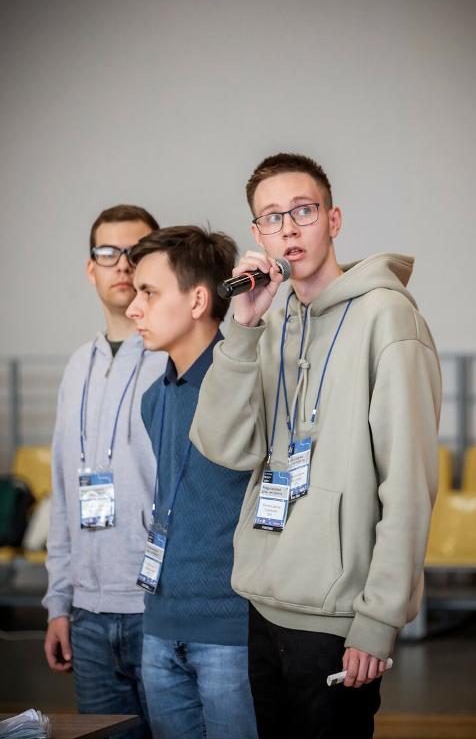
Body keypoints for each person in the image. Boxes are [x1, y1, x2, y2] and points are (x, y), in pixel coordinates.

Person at [190, 153, 442, 739]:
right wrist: (243, 328)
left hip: (335, 615)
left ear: (333, 219)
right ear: (257, 233)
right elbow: (224, 446)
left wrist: (379, 618)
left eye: (303, 210)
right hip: (263, 599)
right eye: (272, 217)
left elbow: (408, 484)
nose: (289, 229)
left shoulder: (387, 318)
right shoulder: (272, 320)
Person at [126, 226, 257, 739]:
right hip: (160, 625)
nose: (133, 309)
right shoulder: (154, 398)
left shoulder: (248, 385)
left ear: (199, 300)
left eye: (149, 293)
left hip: (230, 630)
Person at [43, 205, 166, 739]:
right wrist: (58, 603)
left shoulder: (176, 356)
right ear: (90, 268)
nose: (122, 264)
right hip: (87, 616)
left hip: (159, 610)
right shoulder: (77, 366)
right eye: (107, 252)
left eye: (136, 252)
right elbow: (62, 493)